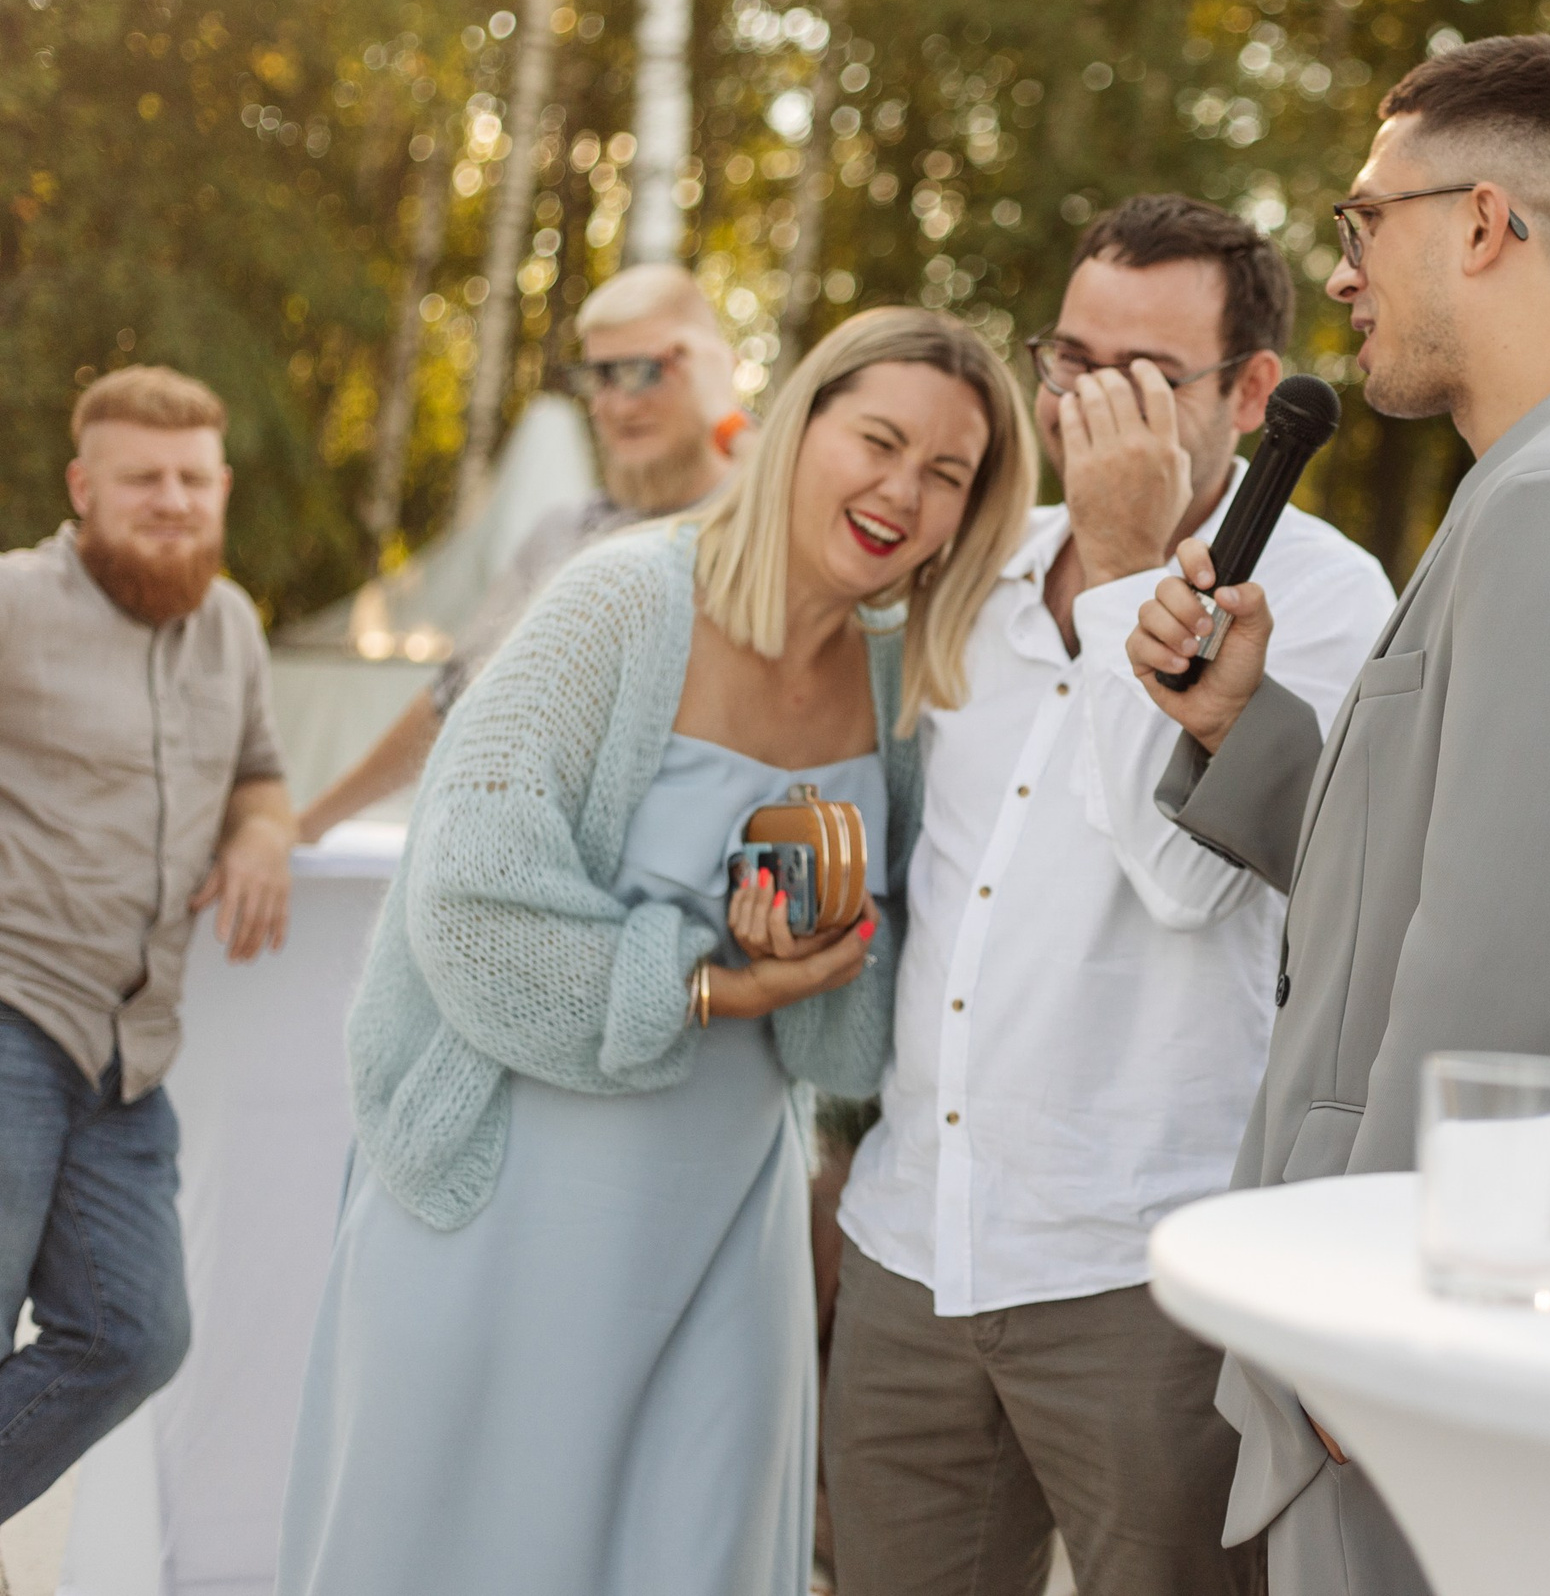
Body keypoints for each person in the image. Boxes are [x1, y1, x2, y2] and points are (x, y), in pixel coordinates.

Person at [1128, 36, 1550, 1596]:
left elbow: (1509, 973)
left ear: (1483, 223)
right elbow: (1447, 873)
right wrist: (1245, 732)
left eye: (1363, 223)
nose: (1341, 272)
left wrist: (1385, 1317)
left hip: (1426, 1314)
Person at [276, 308, 1036, 1595]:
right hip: (506, 1198)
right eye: (879, 441)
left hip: (721, 1227)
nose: (901, 491)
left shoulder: (900, 683)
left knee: (687, 1555)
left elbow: (847, 1034)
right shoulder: (620, 602)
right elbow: (466, 904)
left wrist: (818, 954)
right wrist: (709, 982)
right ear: (800, 429)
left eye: (947, 473)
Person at [825, 196, 1393, 1596]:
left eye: (1142, 376)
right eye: (1069, 360)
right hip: (913, 1248)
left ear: (1252, 393)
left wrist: (1135, 565)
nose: (1087, 406)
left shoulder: (1326, 600)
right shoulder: (978, 566)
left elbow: (1190, 876)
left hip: (1143, 1274)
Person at [0, 366, 294, 1520]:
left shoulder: (232, 625)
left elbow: (262, 776)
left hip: (131, 1058)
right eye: (143, 479)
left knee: (133, 1333)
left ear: (220, 486)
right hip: (13, 1010)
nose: (173, 499)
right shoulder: (16, 601)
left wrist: (264, 838)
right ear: (84, 487)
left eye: (192, 477)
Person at [295, 262, 749, 841]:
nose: (615, 404)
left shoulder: (764, 518)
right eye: (599, 376)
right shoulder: (564, 536)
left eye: (643, 370)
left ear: (713, 370)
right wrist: (308, 826)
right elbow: (456, 699)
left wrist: (728, 416)